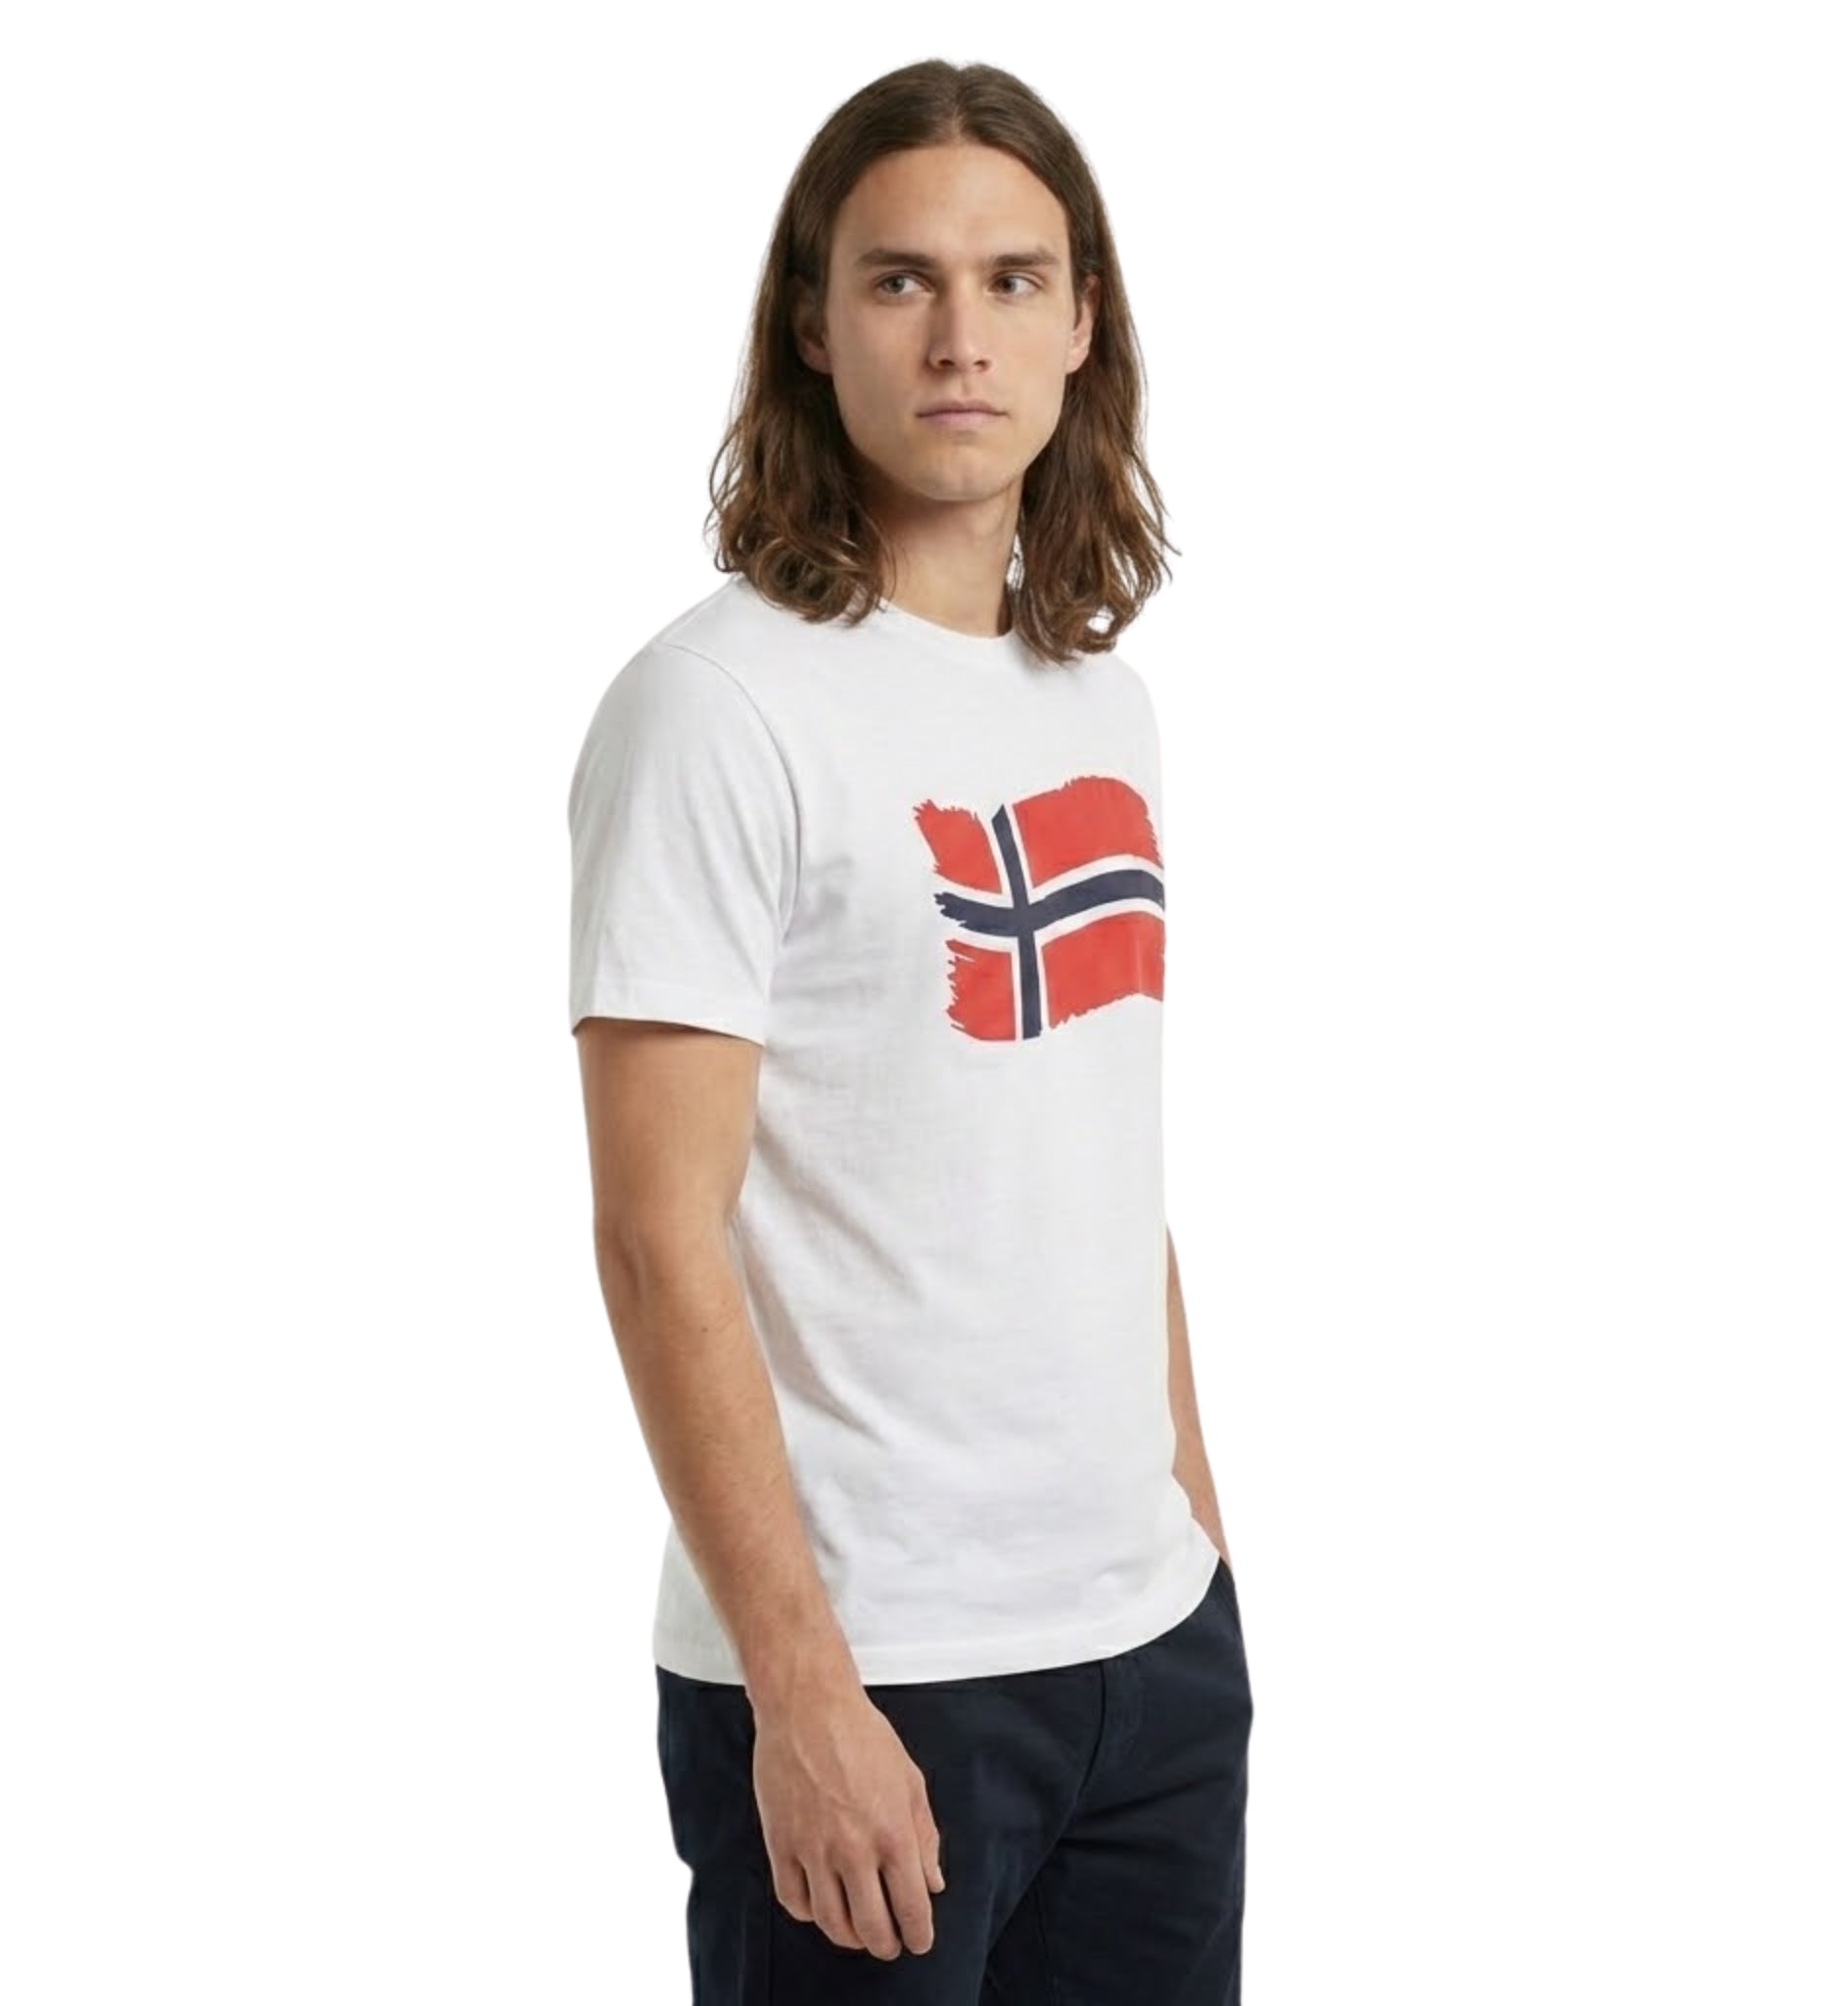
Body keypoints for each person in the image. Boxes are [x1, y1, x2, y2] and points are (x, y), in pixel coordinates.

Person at [566, 57, 1252, 2004]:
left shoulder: (1096, 702)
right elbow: (655, 1234)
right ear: (812, 321)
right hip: (877, 1677)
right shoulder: (719, 709)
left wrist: (1201, 1555)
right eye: (899, 280)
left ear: (1083, 320)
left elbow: (1097, 1162)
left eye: (1012, 278)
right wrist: (801, 1689)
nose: (962, 337)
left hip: (1148, 1659)